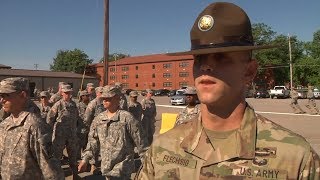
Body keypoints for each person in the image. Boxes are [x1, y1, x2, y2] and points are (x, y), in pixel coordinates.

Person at [136, 2, 320, 179]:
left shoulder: (294, 158)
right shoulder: (163, 148)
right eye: (199, 59)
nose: (206, 67)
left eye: (221, 58)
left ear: (249, 71)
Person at [78, 85, 148, 179]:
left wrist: (148, 167)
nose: (104, 101)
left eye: (108, 99)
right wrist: (85, 160)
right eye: (103, 98)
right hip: (106, 168)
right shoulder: (99, 119)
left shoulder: (127, 118)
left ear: (117, 99)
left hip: (123, 168)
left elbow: (142, 144)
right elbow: (92, 143)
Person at [0, 77, 64, 179]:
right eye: (0, 96)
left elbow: (52, 171)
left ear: (22, 95)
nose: (1, 100)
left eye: (6, 96)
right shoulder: (5, 124)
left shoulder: (35, 126)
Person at [46, 84, 80, 179]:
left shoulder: (73, 104)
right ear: (62, 93)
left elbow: (77, 118)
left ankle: (75, 175)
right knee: (57, 157)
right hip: (59, 136)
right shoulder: (58, 105)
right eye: (66, 93)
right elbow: (49, 119)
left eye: (69, 93)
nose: (68, 95)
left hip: (72, 135)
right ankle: (57, 176)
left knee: (73, 156)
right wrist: (51, 133)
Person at [82, 86, 105, 173]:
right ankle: (93, 166)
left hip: (104, 129)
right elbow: (87, 118)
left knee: (102, 148)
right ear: (97, 93)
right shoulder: (93, 103)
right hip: (95, 129)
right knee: (94, 148)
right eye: (101, 92)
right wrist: (91, 128)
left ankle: (101, 164)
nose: (103, 94)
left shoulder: (104, 102)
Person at [76, 90, 90, 154]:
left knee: (87, 146)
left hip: (89, 128)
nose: (88, 97)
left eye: (88, 95)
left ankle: (85, 159)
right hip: (80, 129)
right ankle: (78, 159)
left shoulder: (90, 105)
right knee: (79, 145)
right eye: (86, 96)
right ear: (82, 97)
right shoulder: (78, 106)